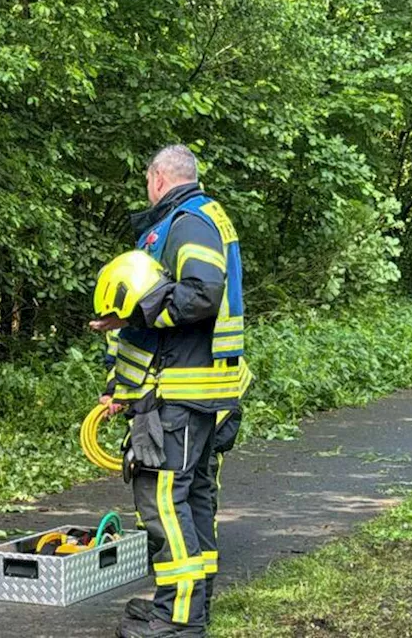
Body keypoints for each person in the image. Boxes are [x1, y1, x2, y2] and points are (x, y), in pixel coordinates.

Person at [91, 145, 248, 638]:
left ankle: (179, 618)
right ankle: (188, 605)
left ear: (158, 178)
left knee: (165, 500)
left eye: (147, 180)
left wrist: (136, 309)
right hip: (196, 390)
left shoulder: (188, 222)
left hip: (181, 395)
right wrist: (124, 387)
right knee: (195, 496)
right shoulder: (203, 217)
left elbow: (201, 294)